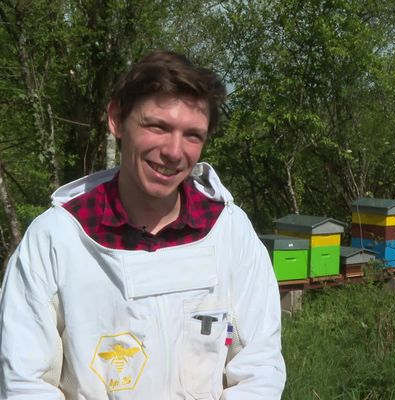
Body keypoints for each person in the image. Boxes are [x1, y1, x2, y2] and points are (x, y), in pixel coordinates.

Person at [0, 51, 286, 399]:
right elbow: (25, 383)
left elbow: (259, 367)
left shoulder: (229, 232)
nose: (174, 151)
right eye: (158, 127)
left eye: (192, 135)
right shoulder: (56, 238)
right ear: (117, 120)